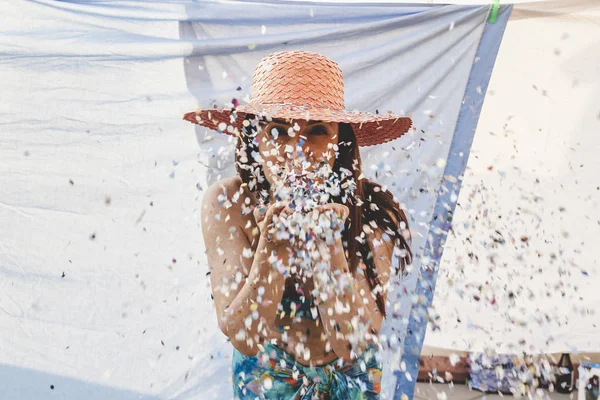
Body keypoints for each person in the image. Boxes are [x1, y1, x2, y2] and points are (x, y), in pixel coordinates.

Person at [184, 51, 413, 399]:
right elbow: (245, 338)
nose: (297, 150)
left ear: (340, 142)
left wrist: (327, 249)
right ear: (254, 141)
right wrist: (272, 249)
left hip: (351, 383)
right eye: (277, 131)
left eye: (318, 130)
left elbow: (353, 346)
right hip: (267, 379)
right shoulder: (227, 202)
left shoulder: (373, 210)